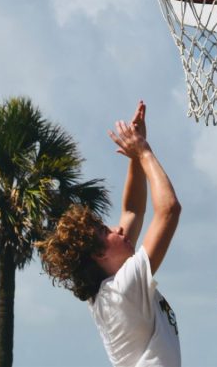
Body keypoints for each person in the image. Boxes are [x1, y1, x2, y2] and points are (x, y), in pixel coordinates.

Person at [39, 101, 181, 367]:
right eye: (106, 231)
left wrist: (135, 153)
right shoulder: (124, 288)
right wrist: (144, 152)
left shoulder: (108, 289)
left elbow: (132, 211)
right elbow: (169, 210)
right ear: (98, 254)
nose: (118, 228)